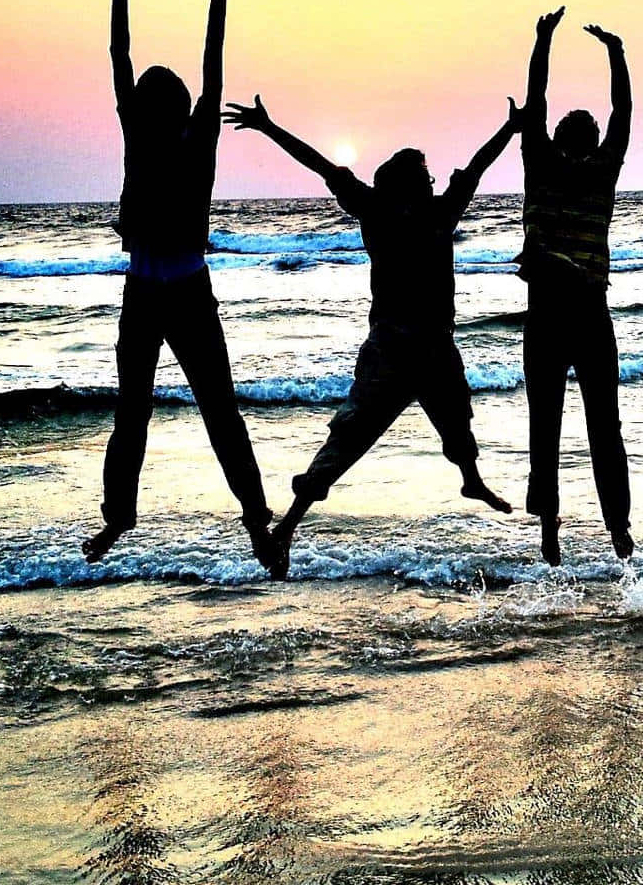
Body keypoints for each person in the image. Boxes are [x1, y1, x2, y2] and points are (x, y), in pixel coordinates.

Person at [223, 93, 523, 579]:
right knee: (419, 423)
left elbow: (320, 165)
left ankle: (292, 527)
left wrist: (268, 126)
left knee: (362, 436)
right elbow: (478, 167)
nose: (433, 180)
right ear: (415, 183)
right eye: (426, 176)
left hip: (399, 346)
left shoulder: (376, 209)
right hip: (415, 347)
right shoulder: (436, 212)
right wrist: (509, 131)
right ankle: (289, 528)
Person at [87, 0, 274, 567]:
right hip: (157, 292)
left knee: (202, 415)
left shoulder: (191, 141)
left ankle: (253, 520)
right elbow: (129, 61)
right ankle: (129, 519)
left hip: (174, 293)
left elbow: (189, 61)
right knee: (147, 415)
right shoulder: (149, 135)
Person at [517, 7, 634, 566]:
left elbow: (535, 103)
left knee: (549, 425)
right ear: (589, 140)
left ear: (561, 137)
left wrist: (543, 41)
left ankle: (553, 533)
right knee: (601, 426)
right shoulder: (602, 168)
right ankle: (616, 532)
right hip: (585, 311)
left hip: (552, 313)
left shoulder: (540, 163)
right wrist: (615, 53)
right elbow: (625, 112)